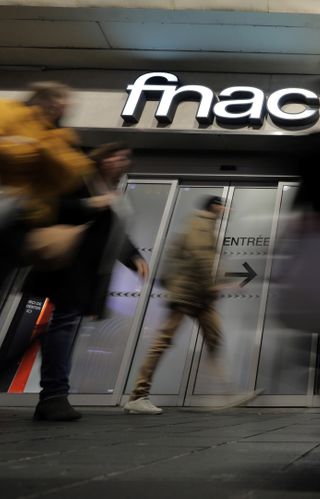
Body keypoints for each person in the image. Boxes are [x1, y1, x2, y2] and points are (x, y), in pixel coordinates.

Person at [21, 142, 148, 421]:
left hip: (86, 274)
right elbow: (51, 207)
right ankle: (53, 396)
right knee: (63, 326)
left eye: (124, 157)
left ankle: (53, 394)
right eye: (114, 155)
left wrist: (134, 257)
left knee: (64, 327)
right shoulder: (81, 181)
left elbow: (115, 234)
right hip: (67, 267)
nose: (120, 161)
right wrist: (90, 203)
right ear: (101, 159)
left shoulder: (114, 193)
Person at [124, 196, 229, 415]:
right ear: (214, 207)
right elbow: (201, 257)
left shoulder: (204, 225)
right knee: (163, 342)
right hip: (188, 294)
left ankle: (219, 392)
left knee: (214, 337)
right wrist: (213, 285)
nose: (226, 209)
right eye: (223, 205)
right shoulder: (201, 223)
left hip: (197, 295)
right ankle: (138, 395)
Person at [0, 81, 95, 287]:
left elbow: (70, 176)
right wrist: (35, 152)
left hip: (24, 218)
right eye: (52, 101)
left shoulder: (59, 137)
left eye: (62, 106)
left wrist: (31, 147)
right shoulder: (8, 110)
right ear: (39, 97)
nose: (56, 109)